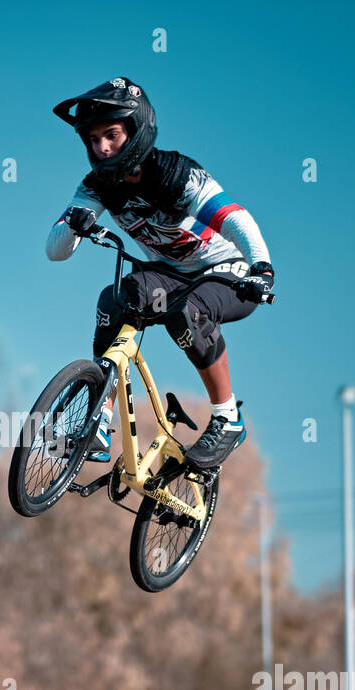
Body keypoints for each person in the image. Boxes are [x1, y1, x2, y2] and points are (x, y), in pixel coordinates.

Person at [45, 76, 274, 469]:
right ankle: (98, 422)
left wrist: (262, 267)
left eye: (111, 135)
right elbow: (55, 251)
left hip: (229, 271)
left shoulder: (175, 174)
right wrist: (72, 224)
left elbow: (234, 217)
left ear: (136, 131)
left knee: (186, 313)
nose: (100, 147)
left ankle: (227, 418)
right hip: (171, 274)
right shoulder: (97, 186)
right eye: (92, 139)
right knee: (116, 298)